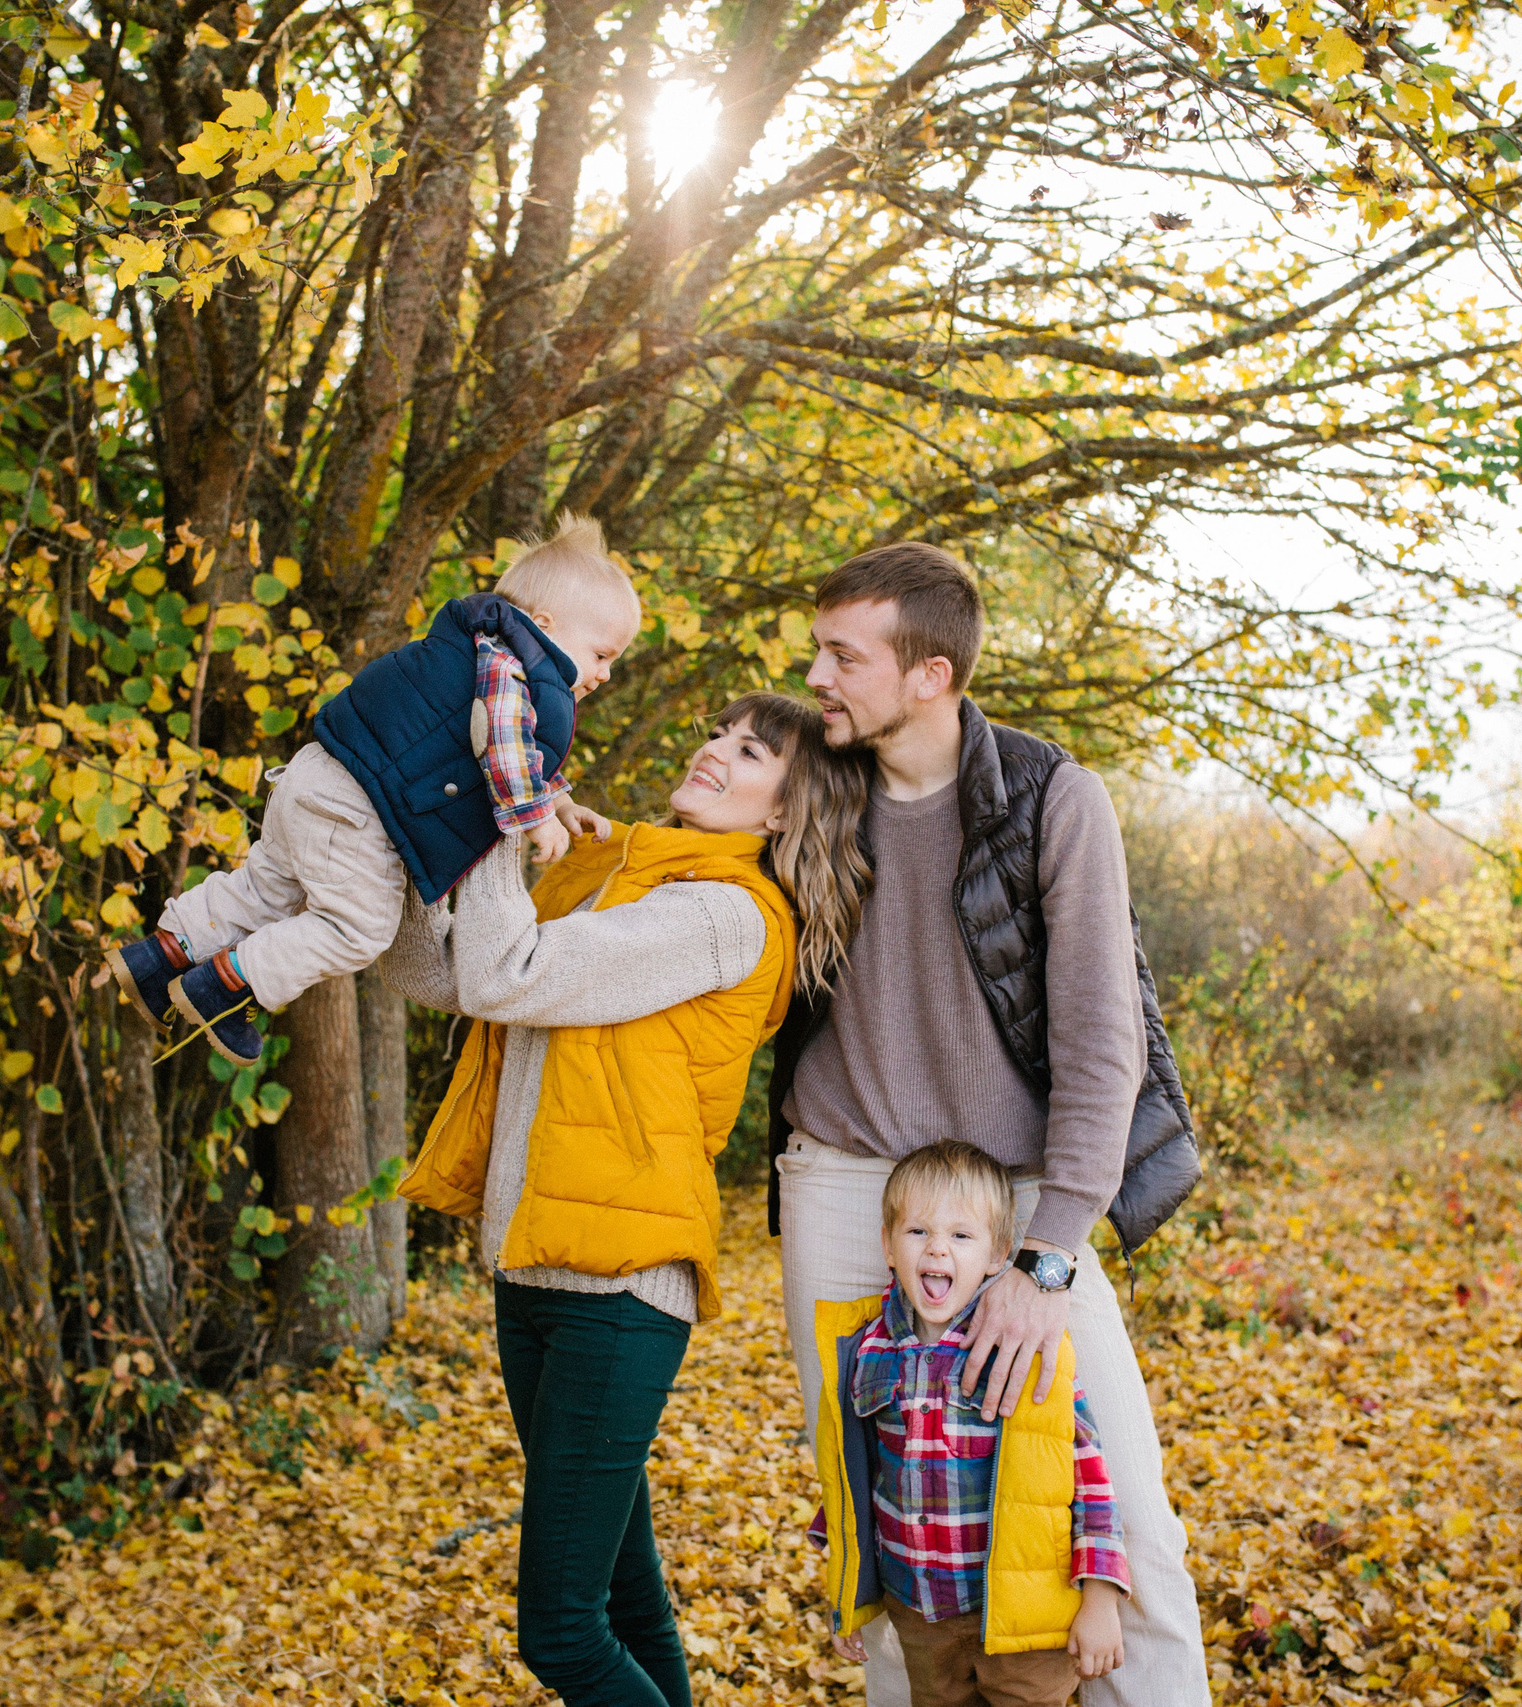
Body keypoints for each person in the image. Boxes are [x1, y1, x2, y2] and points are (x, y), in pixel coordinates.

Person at [769, 541, 1210, 1706]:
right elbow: (693, 834)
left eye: (841, 654)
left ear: (930, 674)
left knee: (1125, 1525)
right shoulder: (812, 780)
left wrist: (1047, 1255)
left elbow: (1102, 1044)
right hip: (841, 1187)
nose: (816, 674)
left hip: (1012, 1194)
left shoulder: (1050, 797)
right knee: (884, 1516)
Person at [381, 692, 872, 1707]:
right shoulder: (622, 881)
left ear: (781, 815)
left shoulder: (722, 915)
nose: (714, 750)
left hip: (618, 1294)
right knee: (623, 1596)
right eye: (720, 733)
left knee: (560, 1634)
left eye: (750, 752)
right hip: (537, 1264)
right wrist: (380, 855)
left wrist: (504, 823)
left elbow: (510, 971)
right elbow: (450, 970)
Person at [103, 515, 641, 1063]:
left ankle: (161, 958)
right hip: (356, 812)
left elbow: (507, 744)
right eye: (602, 655)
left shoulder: (481, 653)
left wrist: (561, 802)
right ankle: (227, 984)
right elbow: (499, 739)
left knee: (267, 888)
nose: (604, 675)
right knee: (356, 929)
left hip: (315, 778)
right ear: (545, 625)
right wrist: (534, 815)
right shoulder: (516, 668)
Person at [813, 1140, 1130, 1707]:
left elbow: (1087, 1474)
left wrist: (1100, 1597)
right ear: (887, 1246)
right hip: (922, 1614)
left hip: (1023, 1619)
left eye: (961, 1235)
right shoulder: (868, 1349)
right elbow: (855, 1476)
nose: (938, 1249)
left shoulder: (1022, 1347)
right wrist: (846, 1589)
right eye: (918, 1233)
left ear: (997, 1253)